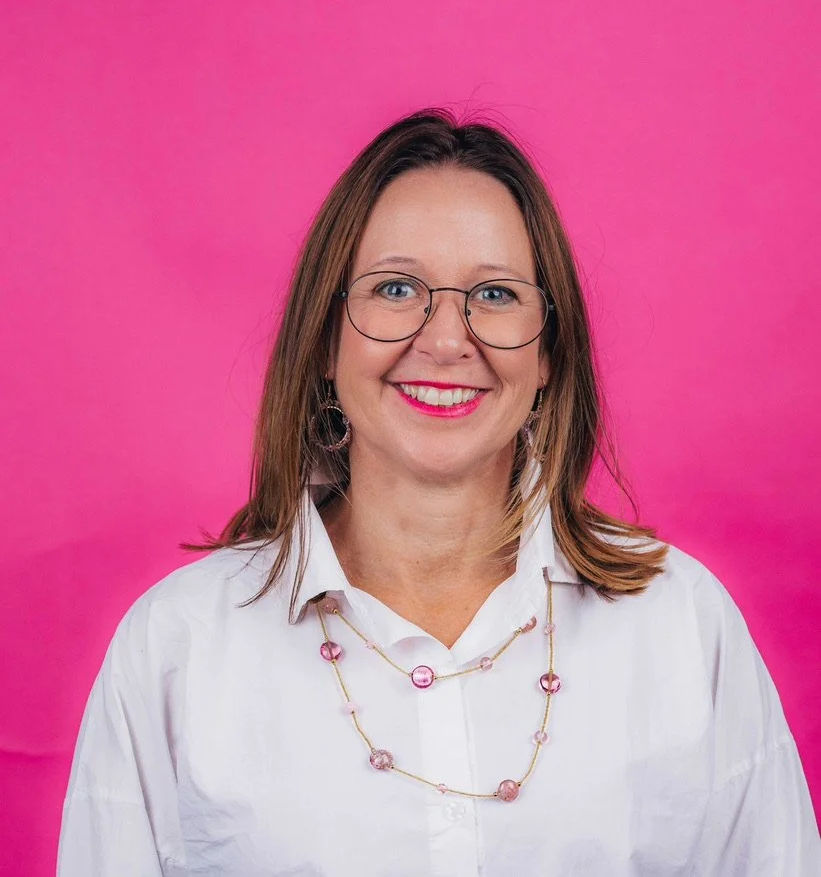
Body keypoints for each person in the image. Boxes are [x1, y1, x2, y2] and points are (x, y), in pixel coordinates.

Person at [57, 109, 819, 876]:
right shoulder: (178, 645)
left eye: (493, 295)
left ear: (551, 352)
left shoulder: (681, 622)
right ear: (326, 337)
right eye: (396, 287)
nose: (447, 339)